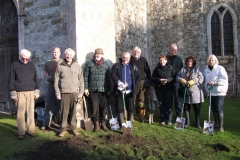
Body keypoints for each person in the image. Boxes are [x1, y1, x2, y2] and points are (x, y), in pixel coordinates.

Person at [9, 49, 40, 140]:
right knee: (20, 113)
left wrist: (37, 90)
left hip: (31, 91)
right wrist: (13, 92)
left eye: (27, 59)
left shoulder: (32, 65)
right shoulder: (15, 65)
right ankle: (21, 132)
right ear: (20, 56)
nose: (25, 60)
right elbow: (11, 79)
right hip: (19, 92)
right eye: (23, 59)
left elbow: (36, 78)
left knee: (31, 112)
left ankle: (31, 130)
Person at [54, 48, 84, 137]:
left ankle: (73, 128)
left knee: (73, 112)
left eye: (70, 55)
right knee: (64, 112)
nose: (68, 56)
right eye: (67, 54)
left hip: (74, 93)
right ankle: (63, 129)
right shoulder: (60, 66)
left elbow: (81, 80)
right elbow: (56, 81)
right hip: (63, 93)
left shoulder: (77, 66)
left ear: (73, 56)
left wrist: (81, 91)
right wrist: (57, 93)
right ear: (65, 55)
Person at [111, 51, 141, 128]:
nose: (125, 59)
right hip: (120, 91)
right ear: (122, 57)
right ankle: (122, 125)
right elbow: (113, 74)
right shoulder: (117, 65)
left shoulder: (133, 66)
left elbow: (138, 77)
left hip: (130, 91)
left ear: (129, 58)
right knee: (120, 108)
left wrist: (136, 86)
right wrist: (118, 81)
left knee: (130, 108)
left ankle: (129, 125)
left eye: (127, 58)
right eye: (124, 57)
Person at [84, 48, 110, 132]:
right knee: (95, 107)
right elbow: (85, 77)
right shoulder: (89, 63)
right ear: (95, 55)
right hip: (93, 89)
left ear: (102, 55)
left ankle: (103, 123)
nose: (98, 55)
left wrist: (109, 89)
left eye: (100, 54)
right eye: (97, 54)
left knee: (103, 107)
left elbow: (108, 78)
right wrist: (86, 88)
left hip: (103, 89)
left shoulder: (106, 65)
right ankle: (96, 123)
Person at [177, 56, 204, 129]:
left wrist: (194, 81)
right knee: (186, 107)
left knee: (197, 108)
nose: (189, 62)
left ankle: (197, 123)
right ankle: (187, 122)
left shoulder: (197, 69)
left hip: (196, 91)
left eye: (191, 61)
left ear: (193, 62)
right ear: (186, 62)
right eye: (188, 61)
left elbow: (201, 78)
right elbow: (177, 77)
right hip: (186, 91)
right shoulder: (183, 69)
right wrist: (181, 79)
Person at [203, 54, 228, 132]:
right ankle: (216, 123)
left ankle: (221, 126)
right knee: (213, 108)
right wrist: (205, 91)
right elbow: (204, 81)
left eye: (212, 60)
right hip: (210, 92)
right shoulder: (206, 70)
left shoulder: (220, 68)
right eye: (210, 60)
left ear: (215, 61)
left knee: (218, 108)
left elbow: (224, 79)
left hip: (219, 92)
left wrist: (215, 82)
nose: (211, 61)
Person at [41, 47, 63, 130]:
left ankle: (62, 125)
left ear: (60, 53)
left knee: (61, 106)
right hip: (51, 86)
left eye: (57, 52)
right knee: (48, 106)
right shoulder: (48, 62)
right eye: (54, 52)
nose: (55, 54)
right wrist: (47, 77)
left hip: (61, 87)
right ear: (52, 53)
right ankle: (45, 124)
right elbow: (44, 73)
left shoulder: (63, 62)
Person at [152, 55, 175, 125]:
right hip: (160, 89)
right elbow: (153, 78)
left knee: (169, 105)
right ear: (159, 61)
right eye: (161, 60)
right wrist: (159, 80)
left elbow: (174, 77)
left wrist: (168, 80)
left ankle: (169, 120)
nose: (162, 62)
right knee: (161, 105)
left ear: (166, 61)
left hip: (169, 89)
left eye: (163, 60)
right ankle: (163, 119)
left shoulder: (170, 68)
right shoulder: (157, 69)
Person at [131, 46, 151, 122]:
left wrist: (149, 79)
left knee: (141, 100)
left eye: (138, 52)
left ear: (140, 53)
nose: (136, 53)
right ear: (133, 52)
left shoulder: (143, 60)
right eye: (135, 52)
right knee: (132, 99)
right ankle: (131, 116)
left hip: (142, 82)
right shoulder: (130, 60)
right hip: (133, 82)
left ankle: (141, 116)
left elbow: (147, 70)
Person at [166, 44, 183, 118]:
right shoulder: (166, 59)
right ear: (170, 50)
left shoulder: (179, 59)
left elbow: (182, 69)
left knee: (177, 100)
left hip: (176, 82)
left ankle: (179, 116)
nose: (175, 51)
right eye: (174, 50)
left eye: (176, 50)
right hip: (168, 82)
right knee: (168, 100)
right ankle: (169, 116)